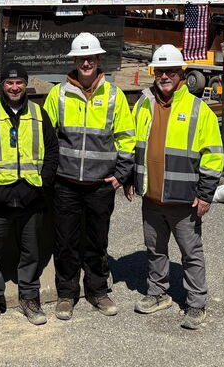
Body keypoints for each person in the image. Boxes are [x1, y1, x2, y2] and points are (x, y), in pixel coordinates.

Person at [125, 44, 223, 330]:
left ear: (181, 73)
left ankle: (196, 303)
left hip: (184, 200)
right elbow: (134, 144)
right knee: (155, 248)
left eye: (170, 71)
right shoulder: (144, 104)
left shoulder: (197, 108)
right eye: (160, 71)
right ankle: (158, 294)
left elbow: (214, 154)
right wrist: (131, 176)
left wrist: (205, 194)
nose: (165, 76)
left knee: (191, 253)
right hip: (152, 197)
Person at [43, 32, 136, 321]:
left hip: (99, 186)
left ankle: (97, 291)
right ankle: (67, 294)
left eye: (90, 58)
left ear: (98, 60)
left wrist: (121, 174)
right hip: (66, 184)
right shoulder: (57, 95)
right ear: (74, 61)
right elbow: (47, 138)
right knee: (66, 243)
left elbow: (126, 138)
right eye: (81, 58)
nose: (86, 62)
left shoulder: (113, 96)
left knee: (97, 242)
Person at [0, 63, 59, 331]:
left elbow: (52, 150)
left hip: (30, 197)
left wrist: (43, 183)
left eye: (19, 82)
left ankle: (30, 298)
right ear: (2, 85)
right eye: (9, 83)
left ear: (25, 84)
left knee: (31, 252)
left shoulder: (38, 113)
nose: (14, 87)